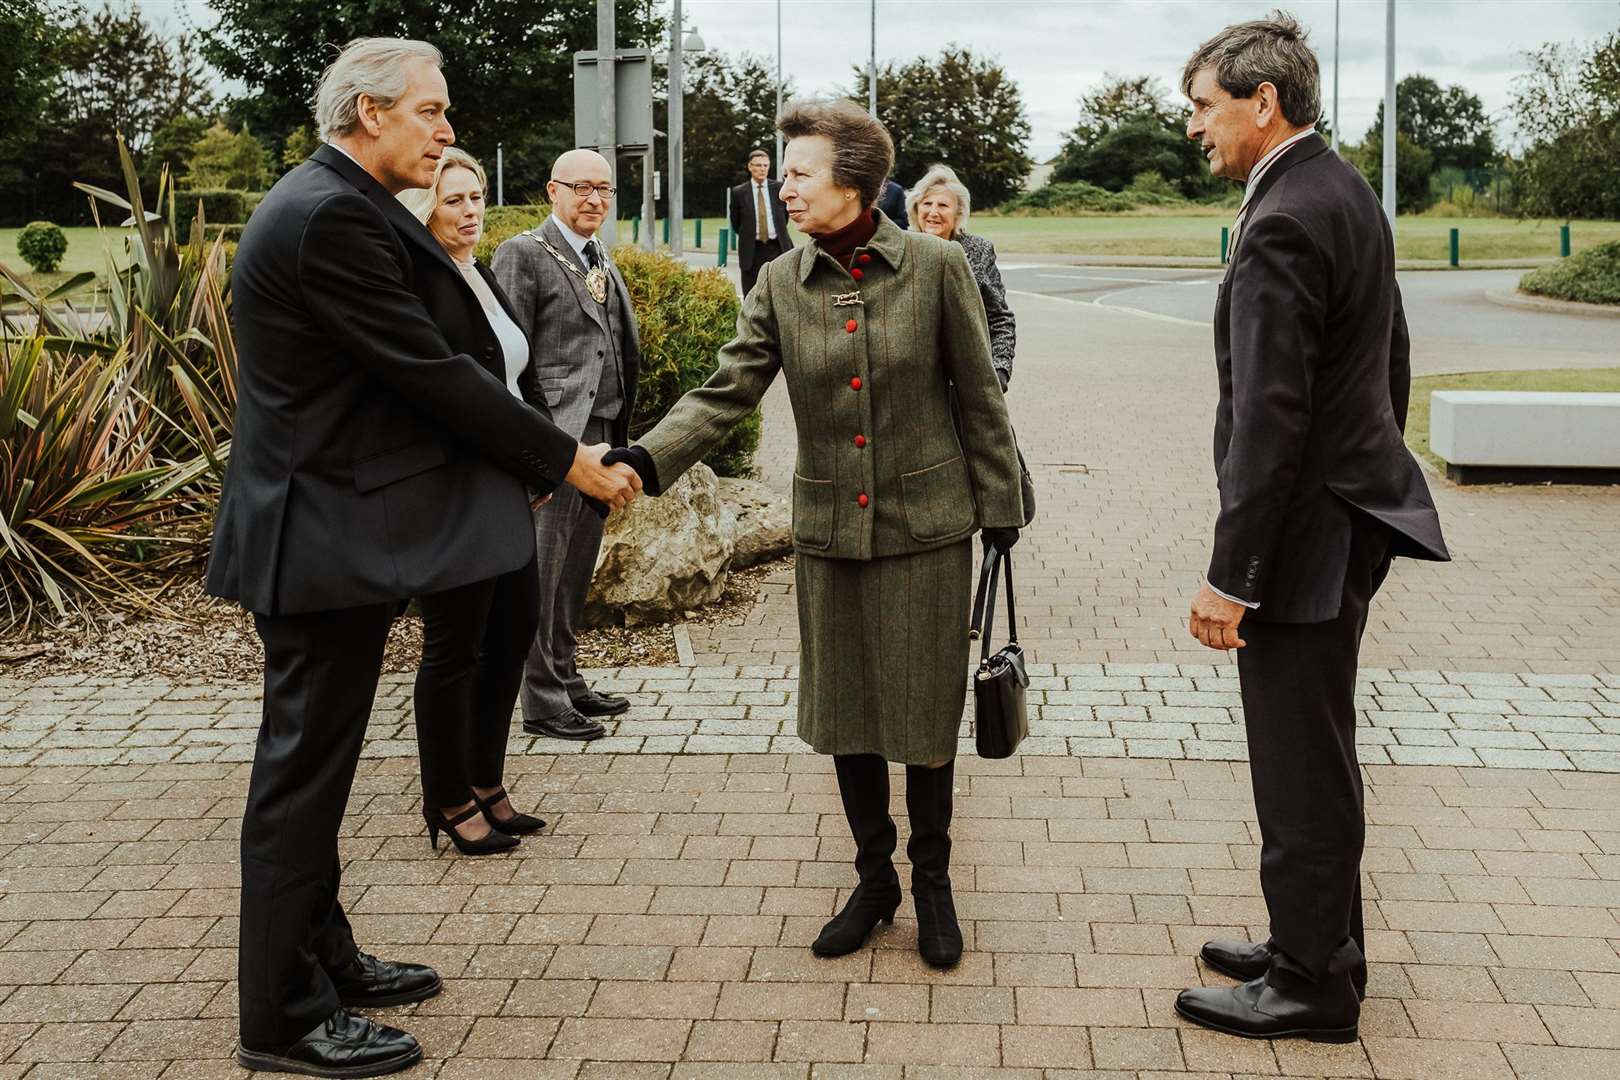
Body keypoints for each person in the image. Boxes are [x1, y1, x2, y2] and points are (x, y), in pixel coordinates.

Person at [206, 38, 639, 1077]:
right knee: (300, 783)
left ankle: (327, 959)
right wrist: (568, 463)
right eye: (431, 112)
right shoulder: (327, 219)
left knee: (321, 772)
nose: (447, 132)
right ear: (366, 113)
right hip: (313, 541)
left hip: (334, 537)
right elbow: (431, 373)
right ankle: (282, 1017)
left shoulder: (341, 205)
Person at [607, 99, 1023, 970]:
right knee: (847, 712)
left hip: (928, 526)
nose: (784, 187)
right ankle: (876, 882)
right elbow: (727, 392)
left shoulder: (939, 267)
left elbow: (980, 399)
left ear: (854, 181)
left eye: (798, 172)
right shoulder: (778, 284)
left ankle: (934, 881)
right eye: (785, 171)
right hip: (832, 525)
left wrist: (1002, 513)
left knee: (921, 710)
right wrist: (643, 463)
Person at [1174, 14, 1448, 1043]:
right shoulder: (1340, 188)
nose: (1195, 126)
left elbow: (1268, 416)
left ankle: (1310, 986)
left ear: (1262, 102)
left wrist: (1232, 573)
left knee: (1297, 760)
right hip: (1344, 516)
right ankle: (1320, 941)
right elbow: (1389, 356)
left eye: (1204, 107)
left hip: (1304, 537)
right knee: (1318, 750)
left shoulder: (1286, 215)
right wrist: (1369, 474)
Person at [396, 147, 548, 854]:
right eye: (454, 200)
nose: (470, 211)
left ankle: (487, 781)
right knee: (455, 648)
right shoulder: (421, 286)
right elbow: (450, 397)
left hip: (510, 483)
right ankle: (448, 798)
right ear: (423, 210)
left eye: (477, 196)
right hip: (456, 492)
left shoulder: (480, 274)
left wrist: (546, 460)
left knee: (513, 630)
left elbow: (519, 376)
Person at [492, 149, 642, 743]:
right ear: (552, 190)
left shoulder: (598, 253)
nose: (595, 200)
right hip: (554, 440)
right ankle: (543, 701)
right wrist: (533, 445)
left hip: (602, 436)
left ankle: (567, 678)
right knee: (542, 573)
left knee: (574, 571)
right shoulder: (523, 254)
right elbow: (505, 357)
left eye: (604, 189)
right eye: (582, 188)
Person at [907, 164, 1015, 388]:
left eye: (943, 205)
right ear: (915, 210)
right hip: (912, 386)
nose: (933, 212)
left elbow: (999, 318)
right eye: (927, 204)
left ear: (958, 214)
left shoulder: (979, 250)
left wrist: (999, 370)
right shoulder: (900, 249)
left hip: (967, 382)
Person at [729, 147, 792, 295]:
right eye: (758, 165)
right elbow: (736, 223)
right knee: (752, 295)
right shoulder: (739, 193)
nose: (762, 169)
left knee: (780, 293)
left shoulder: (778, 188)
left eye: (765, 165)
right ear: (750, 167)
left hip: (777, 248)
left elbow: (785, 218)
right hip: (752, 251)